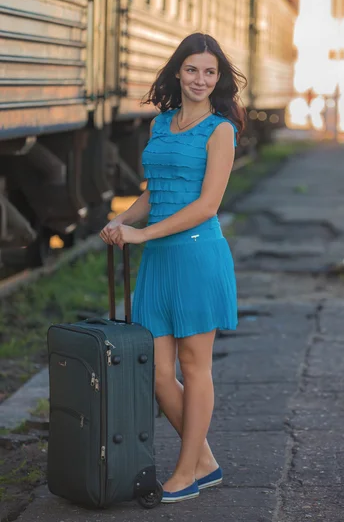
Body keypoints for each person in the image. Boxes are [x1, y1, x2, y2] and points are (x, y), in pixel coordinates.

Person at [99, 33, 246, 504]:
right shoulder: (161, 124)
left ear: (218, 79)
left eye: (210, 72)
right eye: (192, 70)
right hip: (159, 261)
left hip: (198, 256)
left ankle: (186, 472)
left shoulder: (221, 129)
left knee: (193, 365)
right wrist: (122, 220)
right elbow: (154, 193)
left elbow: (206, 205)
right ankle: (204, 459)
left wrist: (142, 234)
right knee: (158, 372)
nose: (200, 79)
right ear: (177, 73)